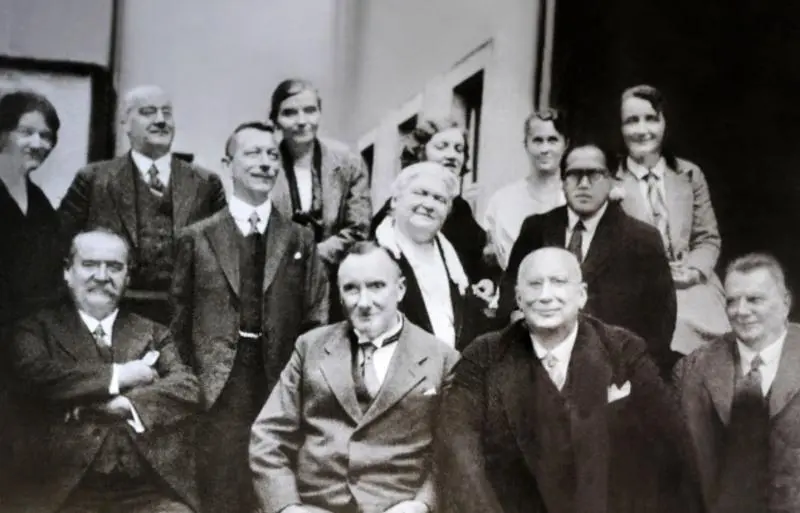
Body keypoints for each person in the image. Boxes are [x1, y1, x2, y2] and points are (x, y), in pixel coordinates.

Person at [436, 247, 691, 513]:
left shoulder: (623, 351)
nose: (546, 296)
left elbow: (671, 444)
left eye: (558, 282)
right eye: (535, 284)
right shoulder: (484, 356)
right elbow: (459, 452)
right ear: (519, 298)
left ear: (581, 295)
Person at [170, 121, 329, 513]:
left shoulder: (300, 238)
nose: (265, 163)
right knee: (221, 491)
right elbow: (177, 321)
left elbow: (317, 315)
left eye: (272, 155)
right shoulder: (196, 237)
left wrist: (305, 379)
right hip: (216, 387)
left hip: (279, 381)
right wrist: (189, 382)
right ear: (228, 164)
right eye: (253, 153)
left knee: (274, 486)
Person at [250, 241, 459, 513]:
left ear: (400, 289)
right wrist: (287, 507)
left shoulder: (442, 360)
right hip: (314, 506)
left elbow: (453, 453)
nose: (364, 302)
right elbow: (268, 436)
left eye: (376, 286)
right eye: (351, 289)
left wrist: (422, 504)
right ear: (339, 295)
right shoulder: (310, 347)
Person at [8, 228, 200, 513]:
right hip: (64, 493)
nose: (101, 276)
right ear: (67, 272)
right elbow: (36, 376)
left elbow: (186, 386)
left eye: (114, 267)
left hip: (146, 493)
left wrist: (124, 405)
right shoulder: (35, 331)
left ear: (128, 277)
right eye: (89, 265)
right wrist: (120, 376)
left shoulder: (153, 332)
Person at [497, 142, 677, 376]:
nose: (583, 184)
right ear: (562, 181)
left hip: (612, 371)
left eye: (594, 174)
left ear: (611, 180)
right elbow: (510, 293)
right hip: (537, 367)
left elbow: (660, 323)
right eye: (574, 175)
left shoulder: (641, 239)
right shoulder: (536, 229)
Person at [58, 85, 227, 326]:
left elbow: (224, 258)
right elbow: (60, 250)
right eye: (148, 112)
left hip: (185, 320)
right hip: (112, 317)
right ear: (126, 123)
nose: (160, 120)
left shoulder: (206, 183)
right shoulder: (94, 180)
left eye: (166, 113)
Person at [674, 253, 800, 512]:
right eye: (732, 301)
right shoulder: (692, 370)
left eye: (754, 300)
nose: (741, 311)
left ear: (785, 302)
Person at [616, 84, 729, 356]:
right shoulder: (610, 181)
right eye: (632, 121)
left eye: (651, 118)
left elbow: (707, 238)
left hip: (691, 284)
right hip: (638, 288)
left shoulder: (689, 174)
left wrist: (694, 271)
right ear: (620, 128)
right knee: (669, 333)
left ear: (664, 123)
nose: (642, 130)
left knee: (722, 344)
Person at [269, 79, 371, 321]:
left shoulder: (348, 162)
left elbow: (359, 229)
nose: (301, 120)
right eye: (289, 113)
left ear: (320, 113)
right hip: (278, 286)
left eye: (310, 110)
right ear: (275, 120)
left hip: (336, 285)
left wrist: (313, 255)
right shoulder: (266, 164)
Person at [373, 162, 487, 350]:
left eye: (439, 199)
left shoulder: (456, 265)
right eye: (420, 193)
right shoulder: (372, 257)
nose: (428, 205)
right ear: (395, 200)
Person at [371, 116, 489, 283]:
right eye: (442, 147)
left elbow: (478, 260)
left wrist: (486, 281)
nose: (452, 155)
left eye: (459, 149)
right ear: (421, 152)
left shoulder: (460, 207)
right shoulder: (402, 203)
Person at [0, 90, 65, 328]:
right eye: (26, 132)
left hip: (29, 332)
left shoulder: (40, 203)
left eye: (46, 136)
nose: (38, 144)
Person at [483, 109, 568, 270]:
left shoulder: (573, 198)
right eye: (537, 140)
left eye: (552, 140)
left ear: (565, 144)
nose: (545, 148)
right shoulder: (502, 201)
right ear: (526, 145)